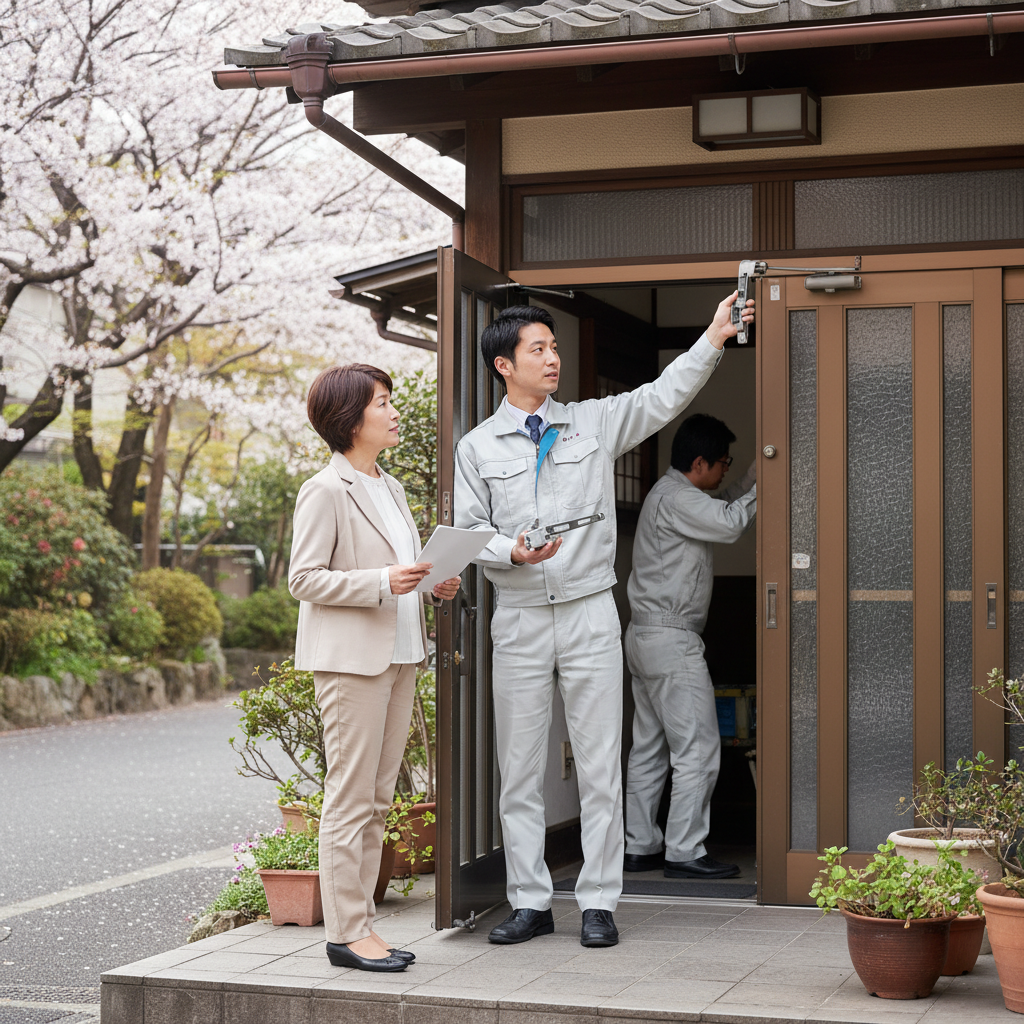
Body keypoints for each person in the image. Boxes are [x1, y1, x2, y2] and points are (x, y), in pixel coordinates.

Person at [454, 294, 754, 948]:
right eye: (539, 349)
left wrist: (711, 337)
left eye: (555, 347)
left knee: (600, 765)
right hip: (521, 617)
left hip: (591, 610)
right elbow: (469, 531)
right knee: (521, 766)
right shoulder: (477, 447)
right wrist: (511, 550)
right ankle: (530, 902)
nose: (553, 357)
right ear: (504, 364)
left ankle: (598, 901)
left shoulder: (593, 423)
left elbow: (662, 395)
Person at [289, 363, 460, 973]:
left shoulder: (387, 486)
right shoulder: (325, 489)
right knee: (350, 797)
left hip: (401, 653)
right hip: (351, 663)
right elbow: (303, 579)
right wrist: (383, 582)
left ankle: (362, 926)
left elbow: (398, 572)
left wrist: (430, 581)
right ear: (349, 418)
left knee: (380, 798)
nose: (393, 412)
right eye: (382, 402)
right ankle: (346, 933)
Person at [623, 413, 756, 881]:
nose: (725, 471)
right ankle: (684, 850)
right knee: (697, 748)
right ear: (699, 462)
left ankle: (640, 845)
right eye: (723, 463)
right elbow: (731, 521)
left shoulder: (671, 494)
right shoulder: (678, 497)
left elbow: (722, 503)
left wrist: (752, 476)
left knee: (649, 749)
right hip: (671, 639)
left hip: (644, 635)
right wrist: (767, 483)